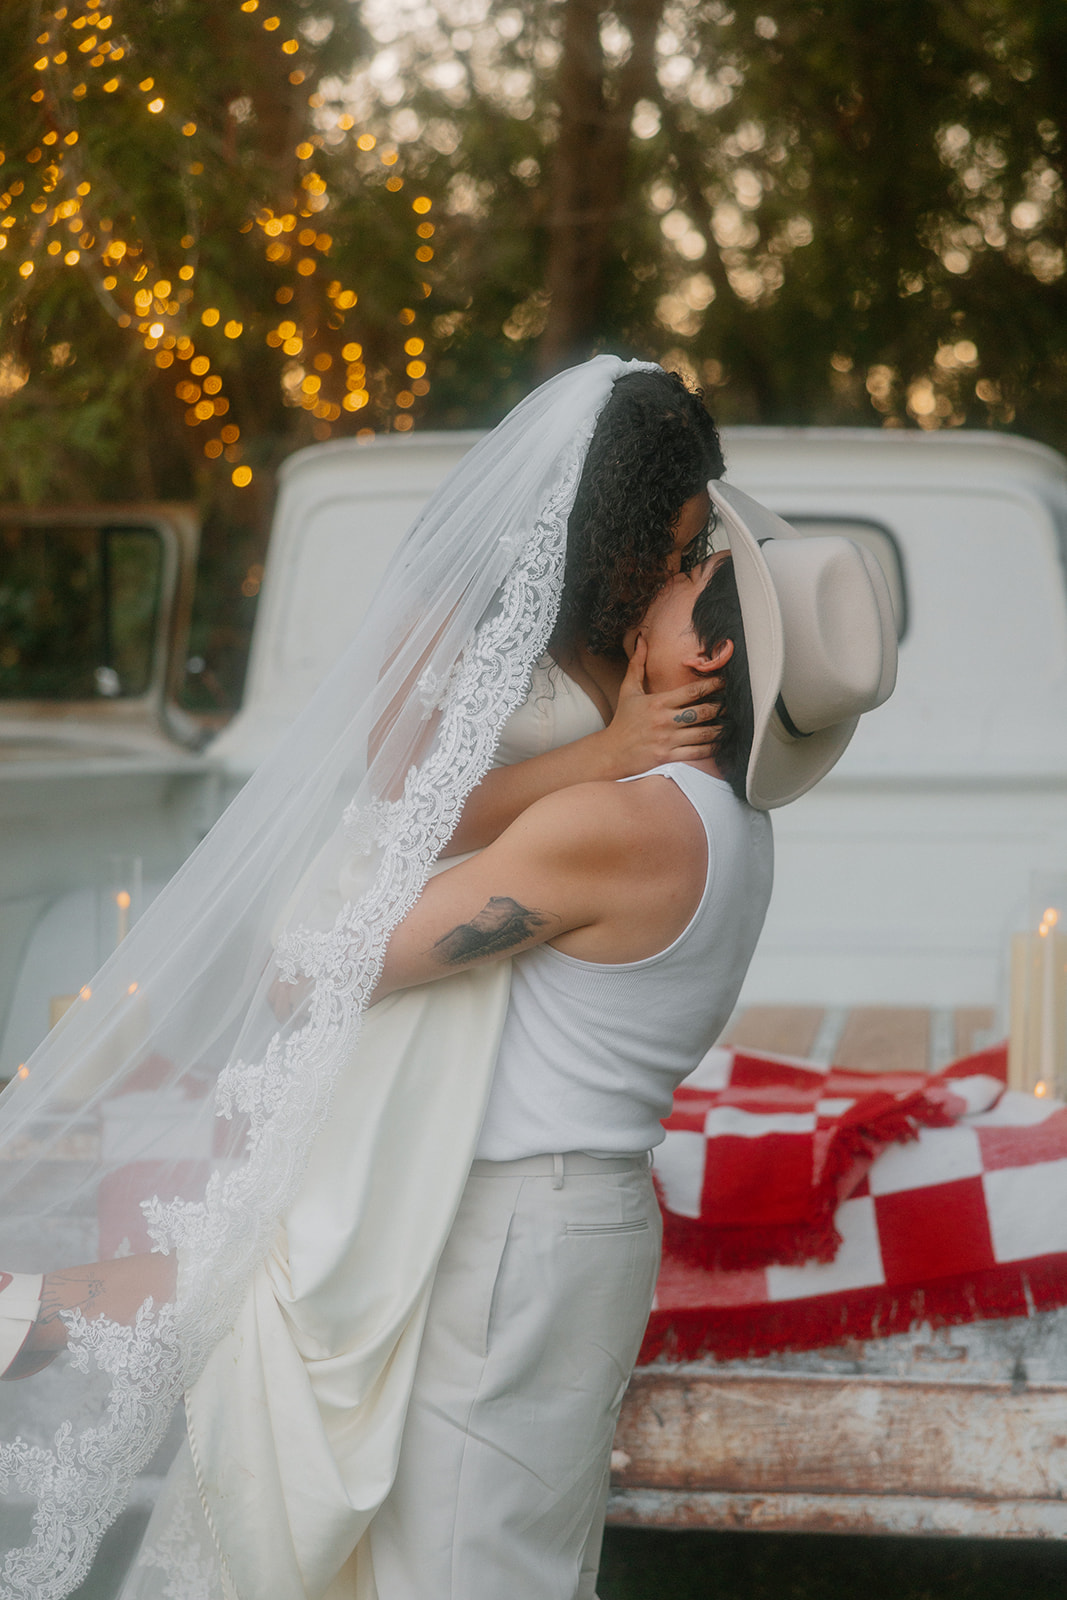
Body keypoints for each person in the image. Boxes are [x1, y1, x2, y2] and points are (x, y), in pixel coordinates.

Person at [0, 358, 732, 1600]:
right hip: (402, 908)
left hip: (490, 973)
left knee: (324, 1286)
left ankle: (34, 1311)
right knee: (309, 1276)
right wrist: (599, 756)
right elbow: (403, 808)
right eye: (669, 541)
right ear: (606, 521)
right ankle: (38, 1312)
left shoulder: (621, 634)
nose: (683, 564)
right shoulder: (474, 609)